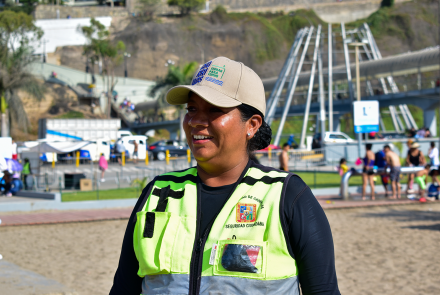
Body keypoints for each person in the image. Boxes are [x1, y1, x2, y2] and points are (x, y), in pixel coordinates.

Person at [110, 57, 340, 295]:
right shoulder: (158, 194)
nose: (196, 121)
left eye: (214, 110)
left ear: (252, 125)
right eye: (191, 109)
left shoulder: (287, 197)